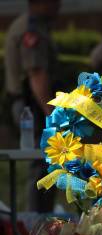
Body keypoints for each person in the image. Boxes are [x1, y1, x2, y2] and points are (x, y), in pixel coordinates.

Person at [4, 0, 61, 213]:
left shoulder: (32, 26)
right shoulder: (31, 30)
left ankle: (40, 221)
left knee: (44, 165)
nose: (59, 5)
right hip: (32, 108)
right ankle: (36, 224)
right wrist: (51, 114)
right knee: (40, 165)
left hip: (31, 105)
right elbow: (36, 74)